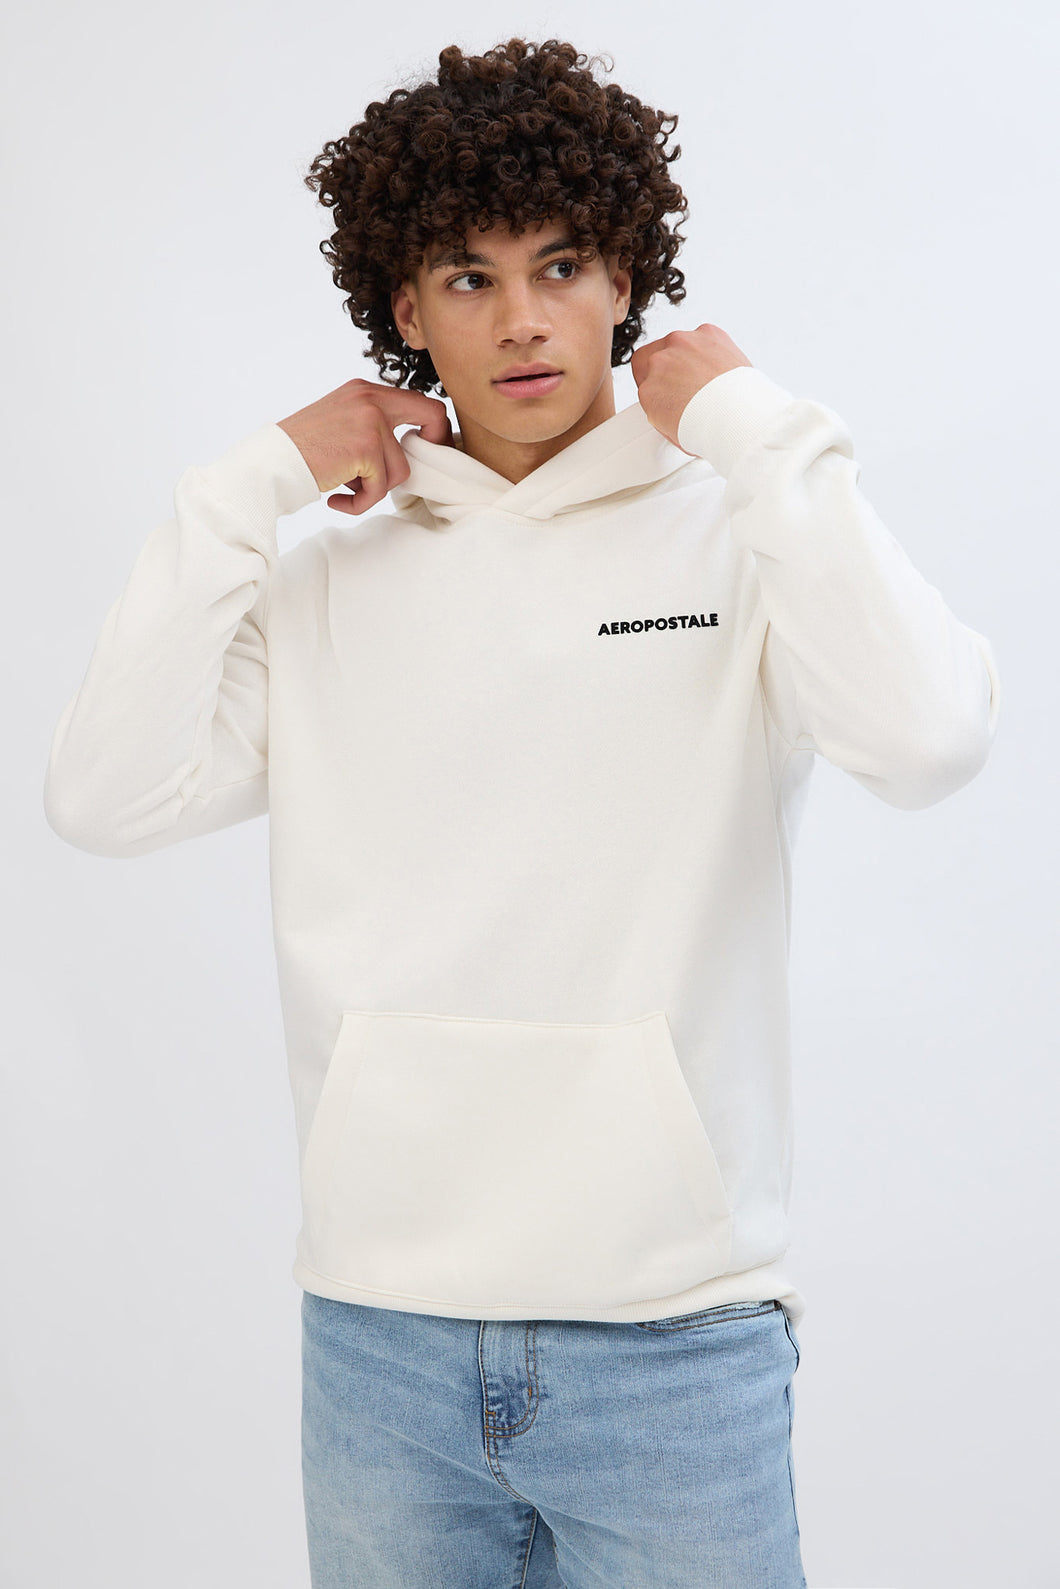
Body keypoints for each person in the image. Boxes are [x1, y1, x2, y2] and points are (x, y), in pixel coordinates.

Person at [42, 35, 1001, 1589]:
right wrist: (247, 490)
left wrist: (756, 428)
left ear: (626, 275)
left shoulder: (740, 536)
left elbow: (930, 735)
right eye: (468, 277)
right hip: (379, 1349)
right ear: (406, 309)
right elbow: (103, 793)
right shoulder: (331, 579)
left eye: (561, 263)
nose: (524, 318)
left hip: (673, 1347)